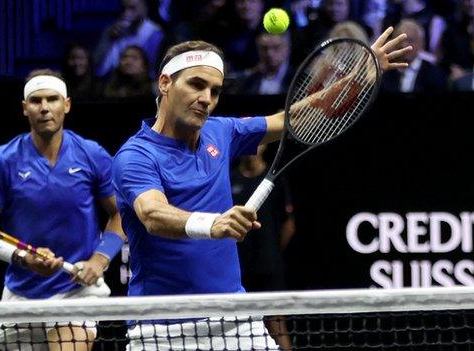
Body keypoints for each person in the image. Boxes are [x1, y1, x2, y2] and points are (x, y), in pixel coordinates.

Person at [112, 27, 411, 350]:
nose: (206, 99)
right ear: (165, 83)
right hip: (163, 331)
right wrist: (213, 224)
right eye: (196, 85)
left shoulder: (221, 131)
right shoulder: (135, 155)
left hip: (234, 320)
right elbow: (153, 214)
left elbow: (293, 119)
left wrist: (359, 77)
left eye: (215, 90)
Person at [0, 68, 126, 351]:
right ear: (24, 108)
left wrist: (99, 262)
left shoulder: (91, 154)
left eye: (52, 99)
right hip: (22, 290)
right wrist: (21, 257)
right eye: (36, 100)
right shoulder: (3, 160)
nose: (44, 108)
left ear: (66, 105)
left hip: (75, 291)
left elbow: (119, 215)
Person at [232, 144, 296, 350]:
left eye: (256, 143)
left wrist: (273, 253)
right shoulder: (230, 179)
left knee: (277, 325)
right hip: (238, 268)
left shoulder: (275, 179)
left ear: (264, 146)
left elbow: (288, 225)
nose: (251, 148)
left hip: (269, 268)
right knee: (233, 327)